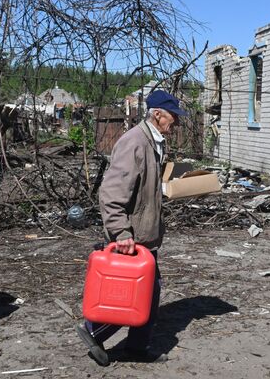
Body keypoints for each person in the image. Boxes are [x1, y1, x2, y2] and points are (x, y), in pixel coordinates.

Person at [75, 90, 188, 366]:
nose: (176, 122)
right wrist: (121, 232)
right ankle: (94, 331)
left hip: (143, 235)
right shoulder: (135, 142)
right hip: (132, 237)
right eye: (173, 116)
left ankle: (135, 347)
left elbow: (141, 185)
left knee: (149, 292)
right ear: (157, 114)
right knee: (140, 294)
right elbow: (112, 192)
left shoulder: (152, 141)